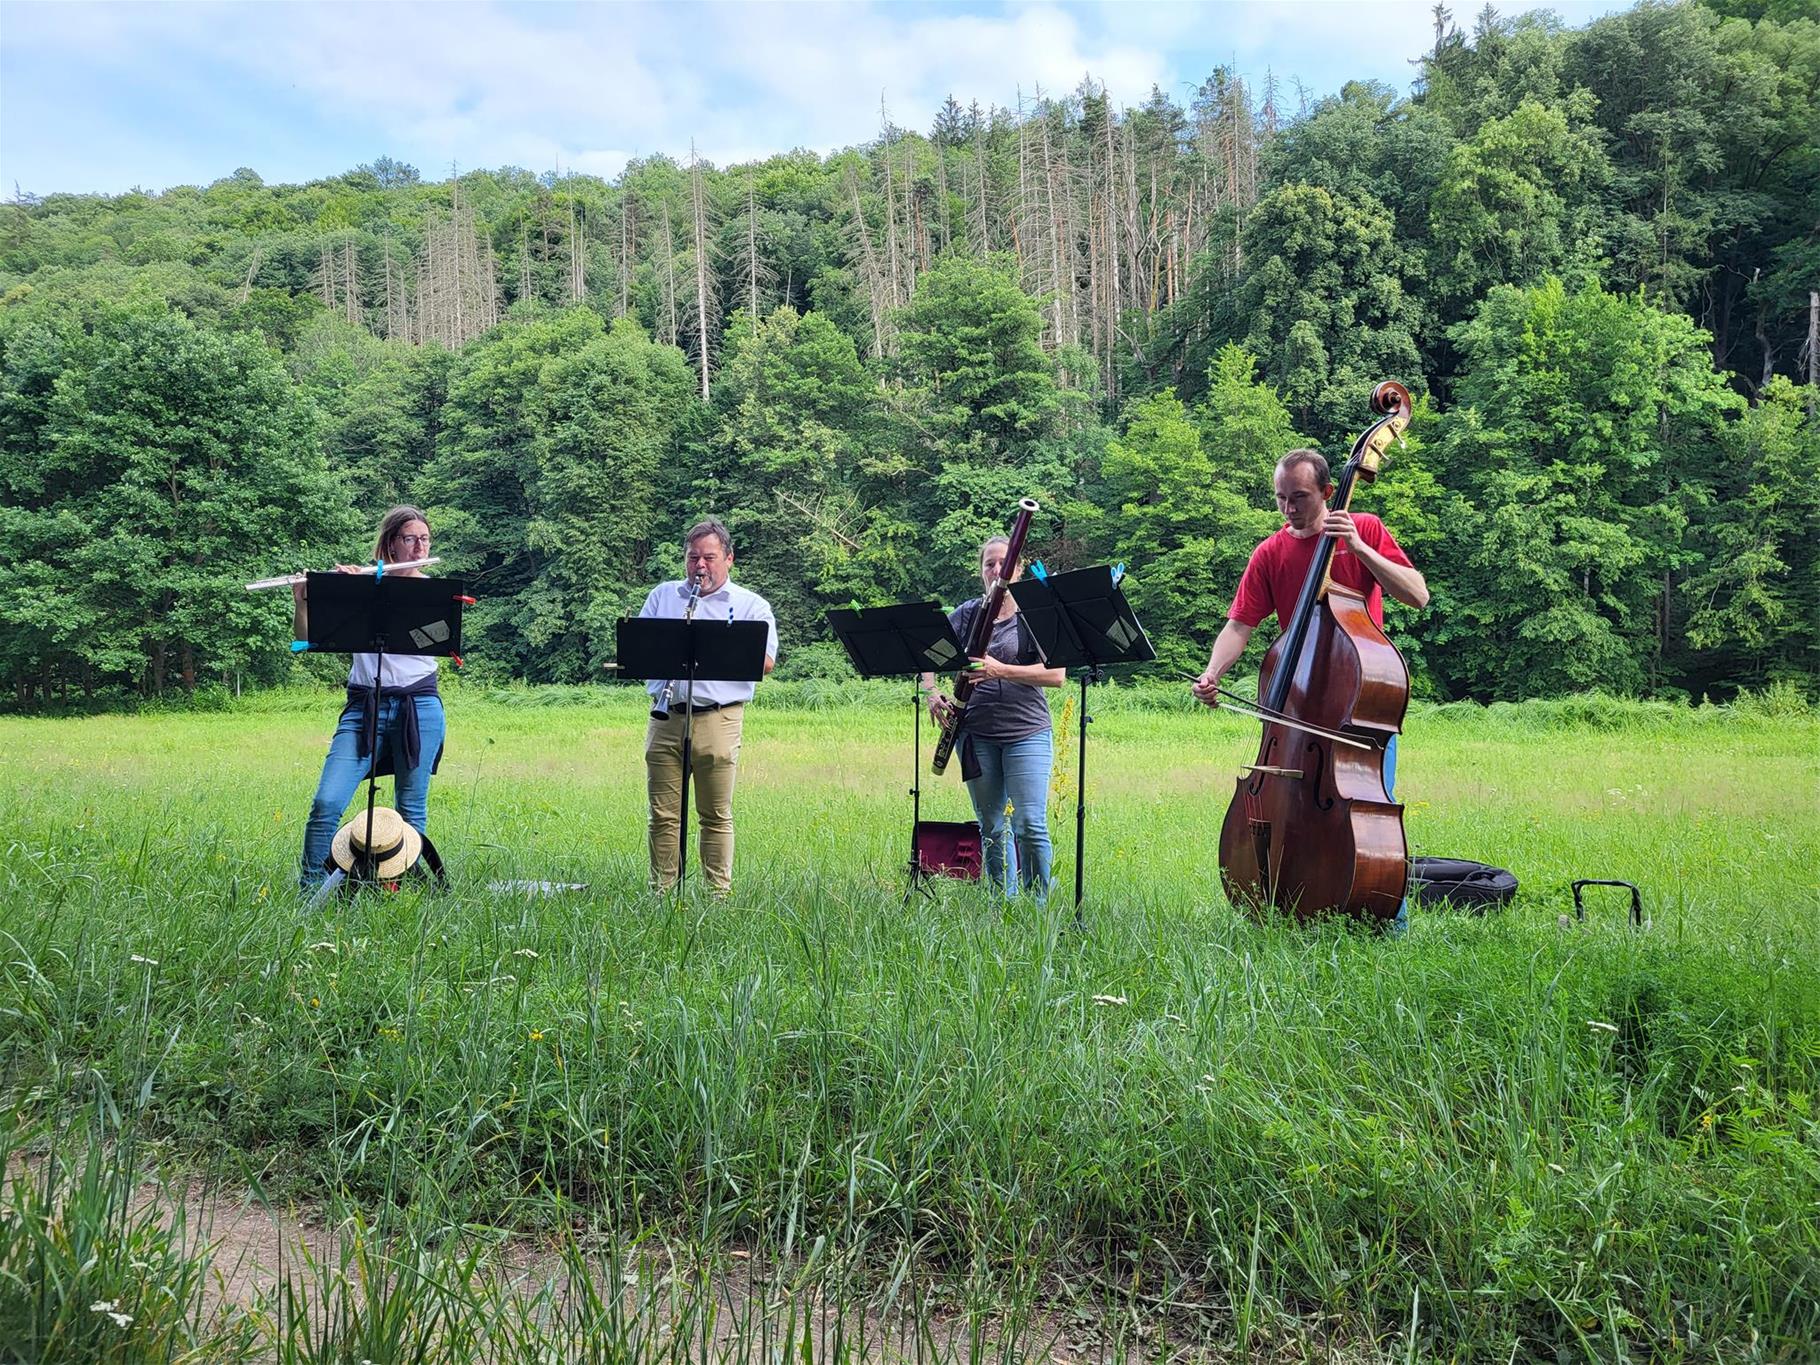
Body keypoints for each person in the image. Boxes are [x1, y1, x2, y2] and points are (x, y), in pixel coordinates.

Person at [1192, 448, 1429, 928]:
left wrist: (1359, 549)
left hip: (1355, 706)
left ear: (1327, 491)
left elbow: (1417, 595)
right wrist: (1213, 672)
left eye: (1298, 497)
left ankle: (1388, 921)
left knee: (1370, 814)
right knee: (1293, 807)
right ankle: (1300, 907)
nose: (1288, 508)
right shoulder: (1269, 552)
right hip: (1298, 706)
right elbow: (1239, 625)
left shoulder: (1364, 528)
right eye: (1280, 497)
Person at [296, 506, 447, 889]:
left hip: (419, 707)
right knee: (327, 802)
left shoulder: (434, 593)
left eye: (425, 539)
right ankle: (311, 891)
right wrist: (310, 599)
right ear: (391, 544)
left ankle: (397, 886)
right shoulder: (360, 584)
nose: (419, 547)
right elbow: (306, 641)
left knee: (411, 808)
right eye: (410, 539)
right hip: (364, 708)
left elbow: (435, 641)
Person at [922, 535, 1066, 901]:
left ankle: (1038, 905)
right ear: (981, 571)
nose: (997, 569)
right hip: (975, 734)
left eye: (1004, 562)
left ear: (1018, 568)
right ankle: (1003, 903)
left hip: (1027, 732)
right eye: (990, 564)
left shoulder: (1034, 614)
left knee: (1030, 824)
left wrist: (1000, 670)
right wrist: (932, 693)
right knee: (991, 826)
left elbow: (1057, 675)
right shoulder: (968, 614)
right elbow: (929, 654)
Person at [638, 518, 776, 896]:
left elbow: (766, 662)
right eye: (693, 557)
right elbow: (639, 649)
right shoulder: (663, 596)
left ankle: (718, 896)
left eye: (709, 558)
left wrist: (719, 645)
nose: (700, 565)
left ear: (729, 559)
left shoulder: (750, 605)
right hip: (666, 715)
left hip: (719, 717)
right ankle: (662, 893)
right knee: (663, 815)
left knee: (715, 814)